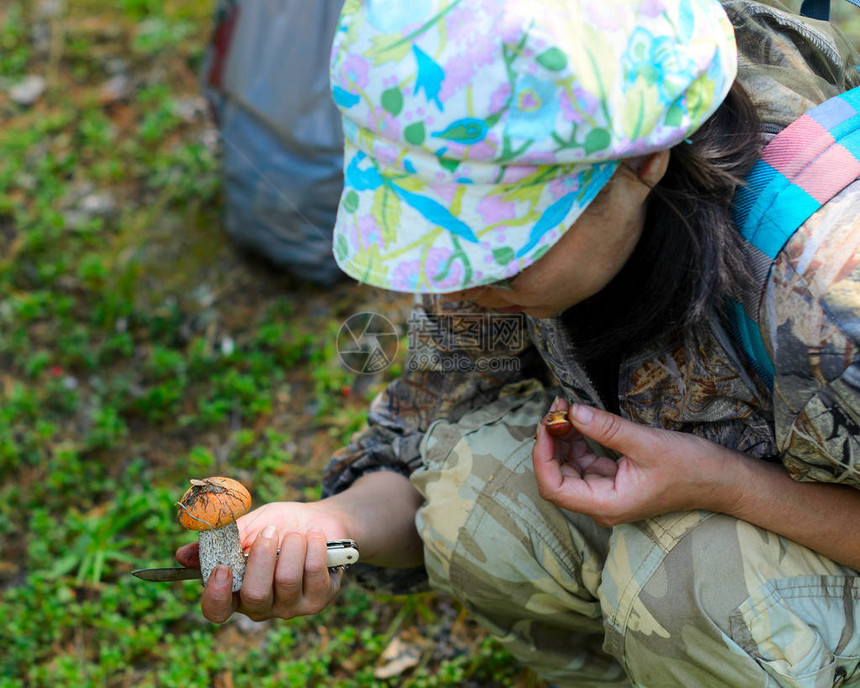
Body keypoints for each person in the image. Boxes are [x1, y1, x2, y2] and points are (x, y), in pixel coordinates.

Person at [176, 0, 860, 685]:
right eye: (440, 239)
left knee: (696, 587)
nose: (463, 282)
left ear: (645, 161)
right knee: (472, 503)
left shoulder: (830, 288)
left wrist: (726, 485)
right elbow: (415, 439)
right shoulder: (492, 254)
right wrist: (324, 526)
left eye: (502, 250)